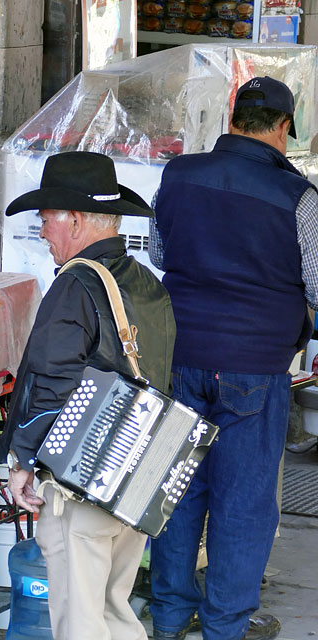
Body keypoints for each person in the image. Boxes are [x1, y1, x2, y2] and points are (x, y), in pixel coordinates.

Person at [148, 76, 318, 640]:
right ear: (284, 127)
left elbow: (158, 252)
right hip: (254, 367)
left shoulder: (178, 174)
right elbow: (317, 286)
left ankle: (170, 616)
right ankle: (225, 625)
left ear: (232, 115)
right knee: (242, 502)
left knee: (175, 489)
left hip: (179, 355)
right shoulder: (299, 197)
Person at [0, 151, 176, 640]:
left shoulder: (74, 286)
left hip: (82, 481)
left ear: (74, 219)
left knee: (79, 618)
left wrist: (25, 462)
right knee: (116, 609)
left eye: (47, 217)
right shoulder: (146, 284)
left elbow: (53, 383)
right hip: (136, 476)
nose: (42, 229)